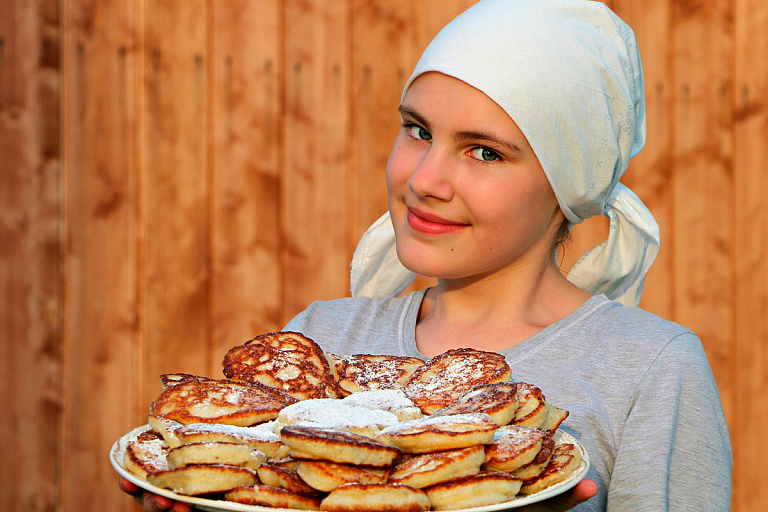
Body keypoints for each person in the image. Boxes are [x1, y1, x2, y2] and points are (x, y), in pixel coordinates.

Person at [121, 0, 732, 510]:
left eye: (485, 152)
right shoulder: (318, 339)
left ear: (566, 182)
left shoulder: (648, 369)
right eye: (418, 130)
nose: (425, 179)